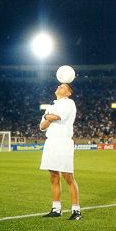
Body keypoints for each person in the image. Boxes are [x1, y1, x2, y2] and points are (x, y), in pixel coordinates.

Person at [40, 83, 81, 220]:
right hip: (50, 142)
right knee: (53, 176)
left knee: (68, 176)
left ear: (69, 93)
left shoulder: (69, 103)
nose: (59, 86)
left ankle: (76, 211)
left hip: (63, 141)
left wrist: (48, 117)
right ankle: (56, 209)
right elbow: (42, 126)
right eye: (58, 85)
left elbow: (56, 117)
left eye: (63, 86)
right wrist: (48, 117)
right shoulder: (51, 107)